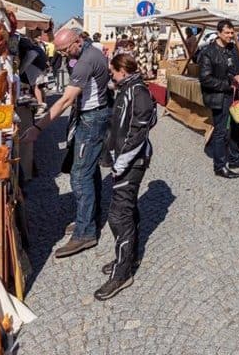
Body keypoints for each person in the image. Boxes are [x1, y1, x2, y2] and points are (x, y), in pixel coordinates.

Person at [22, 27, 112, 258]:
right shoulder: (89, 52)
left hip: (92, 118)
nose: (62, 55)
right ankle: (89, 218)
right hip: (94, 115)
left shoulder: (84, 61)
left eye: (65, 50)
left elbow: (65, 100)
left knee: (79, 175)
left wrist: (37, 128)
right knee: (89, 172)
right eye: (60, 51)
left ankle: (85, 233)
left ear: (78, 41)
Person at [94, 53, 156, 301]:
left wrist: (122, 161)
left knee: (118, 215)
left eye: (113, 71)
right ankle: (127, 258)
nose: (111, 75)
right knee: (128, 210)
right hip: (124, 159)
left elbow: (140, 131)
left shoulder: (138, 91)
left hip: (132, 162)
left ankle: (122, 274)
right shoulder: (127, 87)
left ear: (123, 70)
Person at [197, 19, 239, 178]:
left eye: (232, 33)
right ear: (219, 33)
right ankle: (220, 166)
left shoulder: (233, 48)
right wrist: (228, 84)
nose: (230, 35)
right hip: (219, 96)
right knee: (221, 131)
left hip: (236, 95)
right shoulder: (208, 52)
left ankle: (234, 157)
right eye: (227, 33)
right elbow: (205, 78)